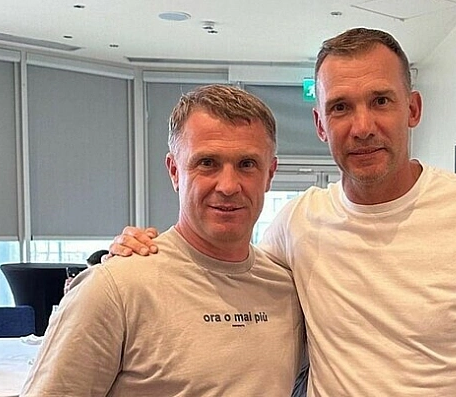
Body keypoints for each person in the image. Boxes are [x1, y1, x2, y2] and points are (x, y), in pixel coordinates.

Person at [112, 28, 456, 396]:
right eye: (340, 107)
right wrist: (143, 252)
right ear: (320, 124)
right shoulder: (296, 223)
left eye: (380, 101)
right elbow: (221, 275)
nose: (362, 127)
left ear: (412, 109)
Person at [22, 85, 305, 396]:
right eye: (207, 163)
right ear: (174, 171)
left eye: (247, 164)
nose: (228, 186)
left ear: (269, 175)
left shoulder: (288, 290)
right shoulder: (113, 289)